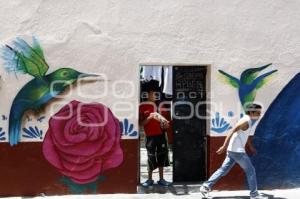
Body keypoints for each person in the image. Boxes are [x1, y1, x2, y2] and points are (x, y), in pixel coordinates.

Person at [200, 103, 264, 199]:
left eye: (260, 112)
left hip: (232, 151)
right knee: (251, 171)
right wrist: (223, 146)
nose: (259, 114)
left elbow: (244, 135)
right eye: (258, 112)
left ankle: (205, 187)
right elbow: (232, 131)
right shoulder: (246, 120)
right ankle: (254, 195)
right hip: (238, 152)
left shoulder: (248, 120)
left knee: (223, 170)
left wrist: (250, 146)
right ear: (251, 112)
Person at [139, 89, 171, 187]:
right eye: (152, 93)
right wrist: (150, 117)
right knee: (151, 157)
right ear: (147, 95)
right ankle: (149, 179)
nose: (155, 95)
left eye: (156, 94)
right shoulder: (142, 106)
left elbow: (167, 124)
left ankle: (161, 179)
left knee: (162, 156)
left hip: (161, 135)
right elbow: (140, 124)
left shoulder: (161, 106)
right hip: (150, 136)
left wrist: (165, 124)